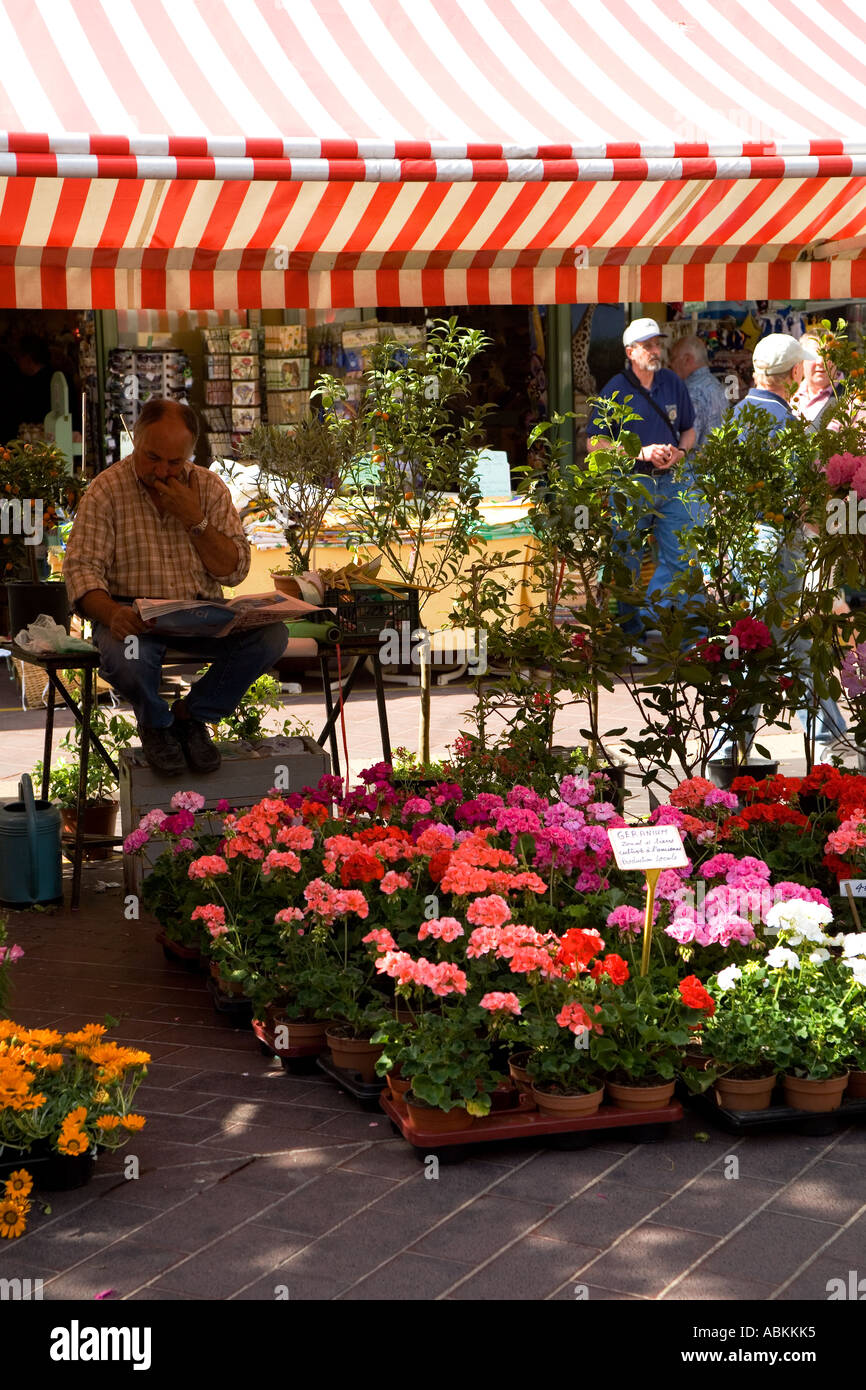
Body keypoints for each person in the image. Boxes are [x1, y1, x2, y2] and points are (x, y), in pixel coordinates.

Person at [63, 398, 288, 776]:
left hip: (199, 614)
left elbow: (234, 571)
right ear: (136, 440)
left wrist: (194, 519)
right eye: (152, 457)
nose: (162, 470)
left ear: (190, 455)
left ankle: (189, 716)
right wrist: (112, 613)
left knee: (272, 637)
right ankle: (156, 724)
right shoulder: (106, 490)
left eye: (174, 462)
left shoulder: (209, 488)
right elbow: (82, 570)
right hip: (134, 617)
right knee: (127, 659)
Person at [730, 334, 846, 746]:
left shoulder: (741, 411)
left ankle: (827, 729)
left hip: (744, 538)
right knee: (770, 639)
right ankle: (734, 742)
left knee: (767, 638)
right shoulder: (782, 420)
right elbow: (800, 491)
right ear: (794, 372)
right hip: (777, 540)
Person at [590, 317, 697, 660]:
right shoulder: (615, 388)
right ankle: (631, 636)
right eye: (648, 345)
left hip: (673, 482)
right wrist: (641, 452)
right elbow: (596, 443)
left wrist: (679, 452)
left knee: (682, 556)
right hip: (632, 483)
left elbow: (690, 430)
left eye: (657, 344)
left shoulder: (672, 382)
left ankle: (682, 638)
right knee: (627, 560)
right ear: (630, 352)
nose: (656, 350)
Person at [669, 335, 728, 451]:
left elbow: (683, 442)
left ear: (687, 359)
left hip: (691, 466)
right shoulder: (716, 385)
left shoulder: (690, 392)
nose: (670, 364)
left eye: (673, 358)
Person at [792, 332, 839, 426]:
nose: (820, 362)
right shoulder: (790, 394)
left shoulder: (853, 399)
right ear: (801, 360)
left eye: (827, 355)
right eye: (813, 356)